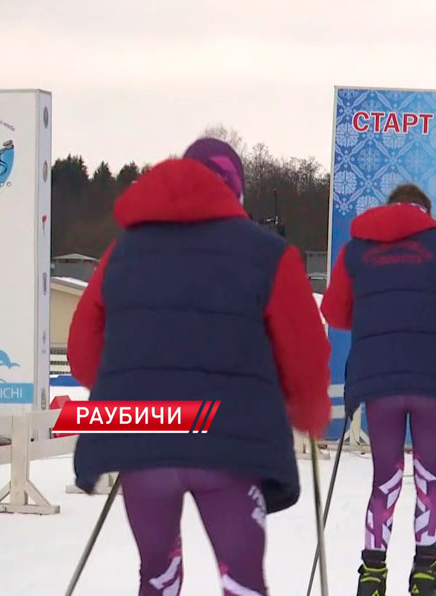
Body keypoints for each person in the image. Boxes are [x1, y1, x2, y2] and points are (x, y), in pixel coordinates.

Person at [67, 138, 332, 596]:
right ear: (236, 194)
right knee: (243, 578)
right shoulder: (266, 253)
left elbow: (81, 353)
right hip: (227, 443)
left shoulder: (122, 252)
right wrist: (308, 412)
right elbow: (304, 350)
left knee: (157, 572)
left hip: (145, 435)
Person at [321, 184, 436, 596]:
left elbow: (334, 312)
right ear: (426, 212)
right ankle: (424, 577)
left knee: (385, 478)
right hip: (432, 379)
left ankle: (371, 576)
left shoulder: (356, 251)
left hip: (379, 378)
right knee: (428, 479)